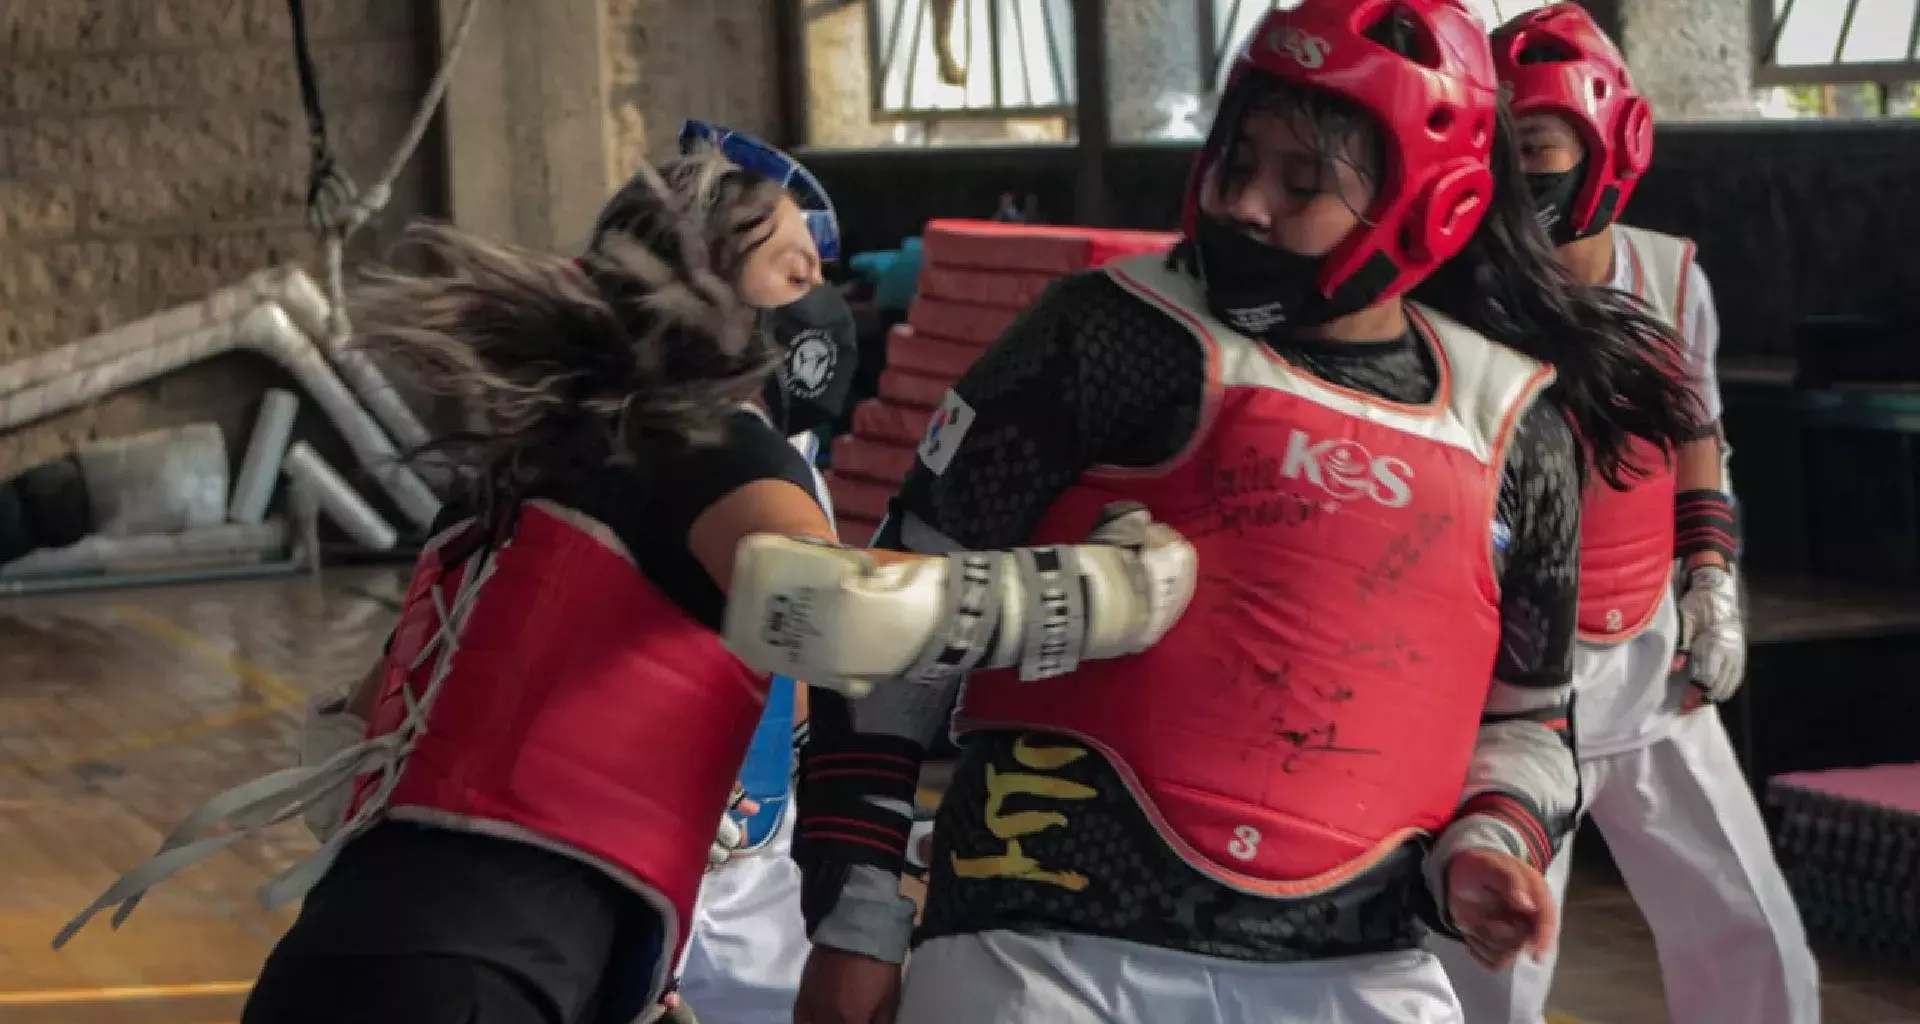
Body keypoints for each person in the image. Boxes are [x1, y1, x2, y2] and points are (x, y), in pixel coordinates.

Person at [51, 128, 1200, 1024]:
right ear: (721, 292)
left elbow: (354, 742)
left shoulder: (534, 461)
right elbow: (826, 612)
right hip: (479, 968)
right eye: (799, 264)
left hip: (388, 949)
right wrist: (1102, 594)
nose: (827, 291)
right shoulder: (702, 441)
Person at [785, 2, 1707, 1022]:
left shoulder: (1512, 421)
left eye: (1303, 182)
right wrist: (859, 916)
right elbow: (890, 631)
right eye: (1237, 163)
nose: (1250, 208)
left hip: (1354, 961)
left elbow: (1530, 720)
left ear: (1428, 203)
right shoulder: (1110, 335)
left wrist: (1490, 840)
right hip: (1046, 942)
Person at [1428, 8, 1820, 1024]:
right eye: (1508, 154)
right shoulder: (1456, 289)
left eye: (1542, 149)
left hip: (1652, 666)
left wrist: (1711, 582)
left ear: (1613, 142)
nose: (1527, 178)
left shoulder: (1670, 275)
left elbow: (1699, 437)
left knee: (1753, 928)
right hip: (1512, 690)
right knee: (1498, 962)